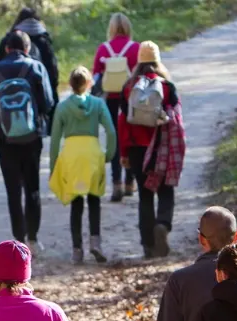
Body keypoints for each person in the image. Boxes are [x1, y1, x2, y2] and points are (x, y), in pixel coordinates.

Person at [0, 31, 56, 250]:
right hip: (32, 138)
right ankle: (33, 239)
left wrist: (4, 120)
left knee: (13, 190)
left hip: (4, 140)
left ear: (6, 49)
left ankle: (19, 240)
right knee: (32, 187)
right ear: (27, 49)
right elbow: (48, 103)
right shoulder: (35, 68)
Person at [119, 41, 185, 259]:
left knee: (145, 196)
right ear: (158, 60)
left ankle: (148, 246)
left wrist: (124, 153)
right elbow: (176, 120)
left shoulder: (129, 86)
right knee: (166, 190)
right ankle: (163, 225)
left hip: (137, 150)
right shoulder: (167, 87)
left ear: (139, 60)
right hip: (160, 148)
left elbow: (123, 121)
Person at [49, 66, 116, 264]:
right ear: (89, 84)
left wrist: (54, 166)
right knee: (94, 200)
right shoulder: (98, 104)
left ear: (70, 84)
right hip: (93, 153)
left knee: (76, 203)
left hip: (72, 155)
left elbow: (54, 140)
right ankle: (96, 242)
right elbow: (111, 131)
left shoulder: (62, 107)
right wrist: (108, 155)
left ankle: (77, 249)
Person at [91, 13, 139, 202]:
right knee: (131, 138)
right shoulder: (135, 48)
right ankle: (130, 181)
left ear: (111, 28)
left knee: (114, 139)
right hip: (130, 98)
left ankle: (116, 182)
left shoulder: (103, 49)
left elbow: (96, 75)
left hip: (110, 99)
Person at [0, 7, 60, 114]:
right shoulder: (43, 41)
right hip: (36, 98)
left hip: (8, 99)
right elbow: (52, 72)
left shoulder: (7, 40)